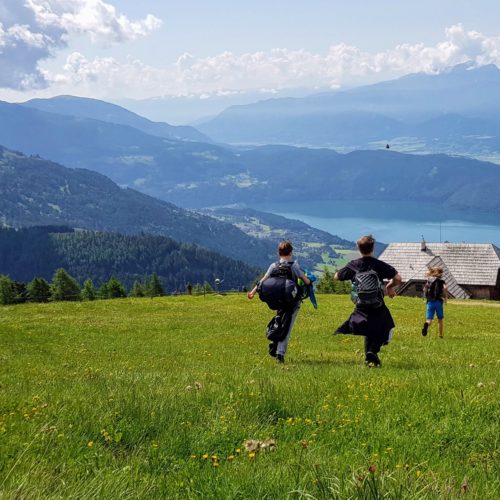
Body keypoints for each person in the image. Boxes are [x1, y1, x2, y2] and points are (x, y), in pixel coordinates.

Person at [334, 235, 401, 367]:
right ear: (373, 248)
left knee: (368, 330)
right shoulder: (378, 265)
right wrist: (389, 287)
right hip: (377, 304)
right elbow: (398, 277)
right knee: (386, 326)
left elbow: (336, 277)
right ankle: (372, 351)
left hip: (361, 305)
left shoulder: (354, 265)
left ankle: (369, 359)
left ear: (358, 248)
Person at [248, 240, 310, 364]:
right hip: (292, 302)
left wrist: (253, 292)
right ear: (291, 252)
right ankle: (280, 355)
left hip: (278, 301)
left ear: (278, 253)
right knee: (287, 327)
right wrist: (309, 280)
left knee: (281, 322)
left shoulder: (273, 266)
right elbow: (305, 281)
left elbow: (263, 280)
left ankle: (275, 342)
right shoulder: (294, 266)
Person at [422, 267, 448, 338]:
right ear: (440, 274)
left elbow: (424, 289)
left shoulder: (429, 280)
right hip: (438, 302)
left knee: (429, 319)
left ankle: (426, 324)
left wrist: (424, 298)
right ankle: (440, 335)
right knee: (440, 319)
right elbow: (445, 288)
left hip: (430, 302)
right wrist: (445, 298)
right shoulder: (442, 281)